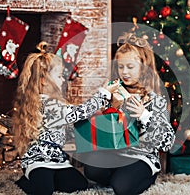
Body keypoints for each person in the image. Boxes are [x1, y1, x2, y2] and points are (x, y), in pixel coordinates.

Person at [12, 41, 119, 195]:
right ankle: (26, 180)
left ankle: (52, 179)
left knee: (79, 184)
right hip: (38, 161)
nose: (63, 80)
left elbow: (70, 122)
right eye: (59, 76)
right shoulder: (47, 104)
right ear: (43, 80)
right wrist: (104, 93)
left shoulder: (57, 102)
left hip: (58, 161)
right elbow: (78, 112)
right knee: (43, 191)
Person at [83, 32, 176, 195]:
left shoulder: (156, 99)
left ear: (143, 67)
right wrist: (103, 98)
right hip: (116, 153)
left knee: (122, 188)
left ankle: (143, 176)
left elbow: (167, 142)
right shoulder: (114, 92)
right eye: (120, 66)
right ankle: (121, 176)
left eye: (130, 67)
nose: (124, 72)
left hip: (142, 157)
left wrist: (144, 115)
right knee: (92, 169)